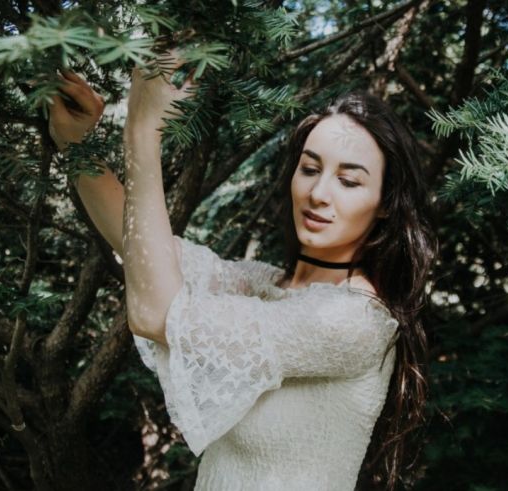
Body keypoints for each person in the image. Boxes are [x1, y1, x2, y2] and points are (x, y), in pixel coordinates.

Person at [48, 49, 438, 491]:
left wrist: (143, 131)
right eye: (309, 169)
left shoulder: (357, 320)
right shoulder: (262, 284)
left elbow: (158, 316)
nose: (319, 193)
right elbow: (141, 244)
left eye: (349, 181)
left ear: (386, 203)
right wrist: (78, 145)